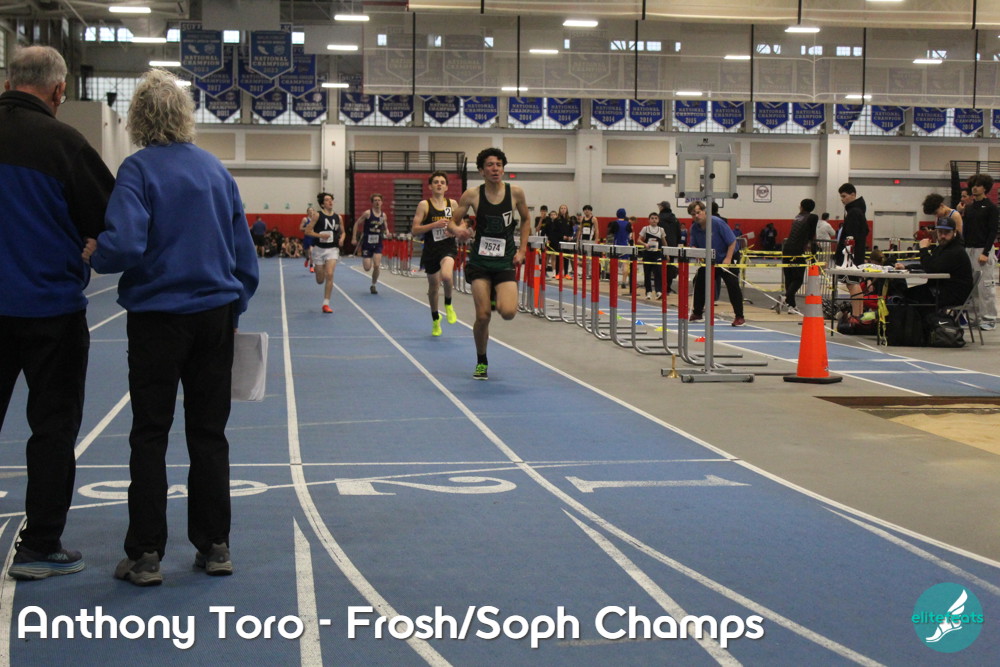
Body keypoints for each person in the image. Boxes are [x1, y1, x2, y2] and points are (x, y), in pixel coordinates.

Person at [89, 68, 259, 586]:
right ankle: (215, 545)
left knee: (150, 433)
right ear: (185, 116)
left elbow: (124, 244)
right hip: (213, 316)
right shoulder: (216, 171)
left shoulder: (138, 170)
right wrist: (232, 307)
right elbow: (244, 259)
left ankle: (145, 554)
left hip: (157, 318)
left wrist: (98, 254)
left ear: (138, 119)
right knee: (209, 433)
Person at [0, 45, 115, 580]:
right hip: (51, 311)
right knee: (52, 429)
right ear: (58, 90)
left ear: (8, 81)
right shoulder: (65, 144)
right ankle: (40, 545)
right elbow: (108, 222)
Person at [448, 147, 531, 380]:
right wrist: (459, 231)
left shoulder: (515, 193)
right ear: (481, 170)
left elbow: (526, 220)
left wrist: (522, 250)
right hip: (480, 262)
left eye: (498, 165)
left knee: (508, 312)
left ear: (503, 168)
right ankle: (481, 360)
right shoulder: (472, 195)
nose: (495, 169)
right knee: (483, 316)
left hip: (504, 261)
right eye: (490, 165)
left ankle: (495, 294)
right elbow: (451, 222)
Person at [411, 171, 460, 336]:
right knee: (433, 287)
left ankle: (448, 304)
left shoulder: (452, 204)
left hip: (448, 248)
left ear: (446, 187)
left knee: (446, 276)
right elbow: (415, 230)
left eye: (442, 182)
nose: (439, 184)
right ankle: (435, 319)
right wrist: (434, 225)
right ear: (430, 186)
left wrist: (455, 230)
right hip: (431, 250)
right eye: (436, 182)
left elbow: (460, 224)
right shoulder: (424, 205)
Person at [686, 201, 746, 327]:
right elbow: (693, 245)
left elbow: (732, 241)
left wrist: (728, 259)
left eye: (698, 212)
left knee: (732, 284)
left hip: (729, 256)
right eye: (693, 214)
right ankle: (697, 313)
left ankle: (739, 317)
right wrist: (696, 252)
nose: (696, 216)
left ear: (704, 211)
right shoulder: (694, 228)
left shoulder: (717, 223)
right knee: (699, 280)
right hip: (711, 259)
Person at [894, 215, 972, 310]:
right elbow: (930, 263)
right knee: (907, 292)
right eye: (940, 232)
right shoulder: (942, 248)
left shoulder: (956, 251)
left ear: (954, 232)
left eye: (947, 232)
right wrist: (906, 267)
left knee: (910, 296)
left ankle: (922, 318)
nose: (943, 236)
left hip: (953, 294)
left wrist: (923, 249)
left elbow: (931, 269)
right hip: (942, 288)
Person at [959, 174, 998, 330]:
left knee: (985, 286)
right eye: (973, 185)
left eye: (979, 185)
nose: (975, 188)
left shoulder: (991, 208)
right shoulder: (969, 208)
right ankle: (974, 317)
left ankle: (989, 318)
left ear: (985, 188)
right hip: (969, 249)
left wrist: (986, 252)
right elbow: (966, 231)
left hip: (983, 249)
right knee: (972, 286)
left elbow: (993, 231)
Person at [305, 192, 345, 314]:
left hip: (332, 249)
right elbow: (307, 231)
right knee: (320, 280)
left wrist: (342, 239)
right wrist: (320, 235)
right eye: (327, 200)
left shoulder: (338, 217)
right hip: (319, 249)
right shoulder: (317, 215)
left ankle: (326, 304)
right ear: (322, 204)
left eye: (331, 199)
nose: (330, 201)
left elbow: (343, 232)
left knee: (330, 274)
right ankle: (317, 269)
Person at [835, 183, 869, 317]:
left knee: (852, 284)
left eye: (844, 196)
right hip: (854, 254)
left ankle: (856, 316)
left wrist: (847, 255)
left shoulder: (854, 212)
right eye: (841, 197)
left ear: (853, 195)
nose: (842, 199)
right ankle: (858, 315)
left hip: (850, 256)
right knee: (854, 284)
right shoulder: (858, 211)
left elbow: (850, 236)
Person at [781, 199, 819, 314]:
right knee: (798, 279)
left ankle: (791, 305)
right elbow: (812, 235)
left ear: (801, 207)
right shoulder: (813, 217)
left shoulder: (797, 217)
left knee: (789, 278)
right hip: (797, 250)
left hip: (787, 249)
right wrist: (813, 251)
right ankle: (786, 297)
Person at [353, 192, 389, 294]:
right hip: (367, 244)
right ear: (372, 203)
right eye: (375, 200)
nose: (377, 202)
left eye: (379, 200)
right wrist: (354, 238)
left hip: (378, 243)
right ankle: (367, 259)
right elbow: (357, 223)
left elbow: (385, 226)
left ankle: (373, 285)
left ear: (382, 202)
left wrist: (387, 232)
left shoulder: (383, 215)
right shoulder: (368, 213)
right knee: (367, 268)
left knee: (377, 265)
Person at [638, 212, 666, 299]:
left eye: (656, 218)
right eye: (652, 218)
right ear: (649, 220)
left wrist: (667, 253)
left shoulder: (661, 230)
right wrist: (645, 244)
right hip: (647, 254)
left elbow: (664, 242)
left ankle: (658, 291)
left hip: (657, 254)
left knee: (658, 273)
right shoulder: (645, 229)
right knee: (647, 273)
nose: (654, 220)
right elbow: (638, 240)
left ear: (658, 220)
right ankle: (648, 292)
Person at [606, 208, 633, 291]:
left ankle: (614, 280)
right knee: (625, 264)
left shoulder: (614, 223)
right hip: (625, 245)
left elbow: (610, 234)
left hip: (616, 245)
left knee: (614, 263)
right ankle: (624, 282)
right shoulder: (628, 224)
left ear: (617, 214)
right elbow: (630, 235)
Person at [657, 201, 681, 293]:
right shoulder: (675, 219)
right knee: (670, 266)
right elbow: (679, 234)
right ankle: (668, 287)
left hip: (661, 245)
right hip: (672, 246)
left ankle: (660, 287)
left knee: (660, 266)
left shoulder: (658, 219)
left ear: (662, 207)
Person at [300, 206, 315, 271]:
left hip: (313, 238)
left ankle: (311, 266)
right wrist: (307, 228)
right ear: (307, 212)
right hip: (307, 238)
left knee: (311, 252)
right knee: (307, 254)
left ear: (314, 212)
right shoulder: (305, 219)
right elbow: (300, 228)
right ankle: (307, 259)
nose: (311, 212)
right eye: (309, 211)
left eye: (312, 210)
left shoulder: (315, 220)